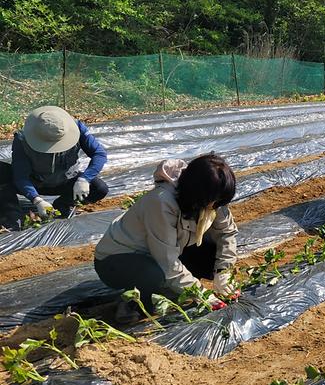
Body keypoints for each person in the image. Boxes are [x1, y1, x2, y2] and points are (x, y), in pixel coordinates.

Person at [94, 154, 238, 323]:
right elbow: (166, 260)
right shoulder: (161, 202)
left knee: (210, 253)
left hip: (159, 251)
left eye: (220, 202)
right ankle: (133, 302)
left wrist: (223, 272)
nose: (215, 207)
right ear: (198, 193)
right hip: (116, 260)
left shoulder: (213, 195)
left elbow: (226, 233)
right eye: (214, 202)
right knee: (154, 274)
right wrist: (201, 293)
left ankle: (170, 289)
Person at [0, 106, 108, 231]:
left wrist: (84, 179)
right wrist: (37, 200)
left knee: (99, 188)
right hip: (34, 181)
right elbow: (21, 177)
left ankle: (63, 204)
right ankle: (11, 217)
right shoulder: (22, 139)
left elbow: (99, 154)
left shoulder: (77, 128)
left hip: (65, 180)